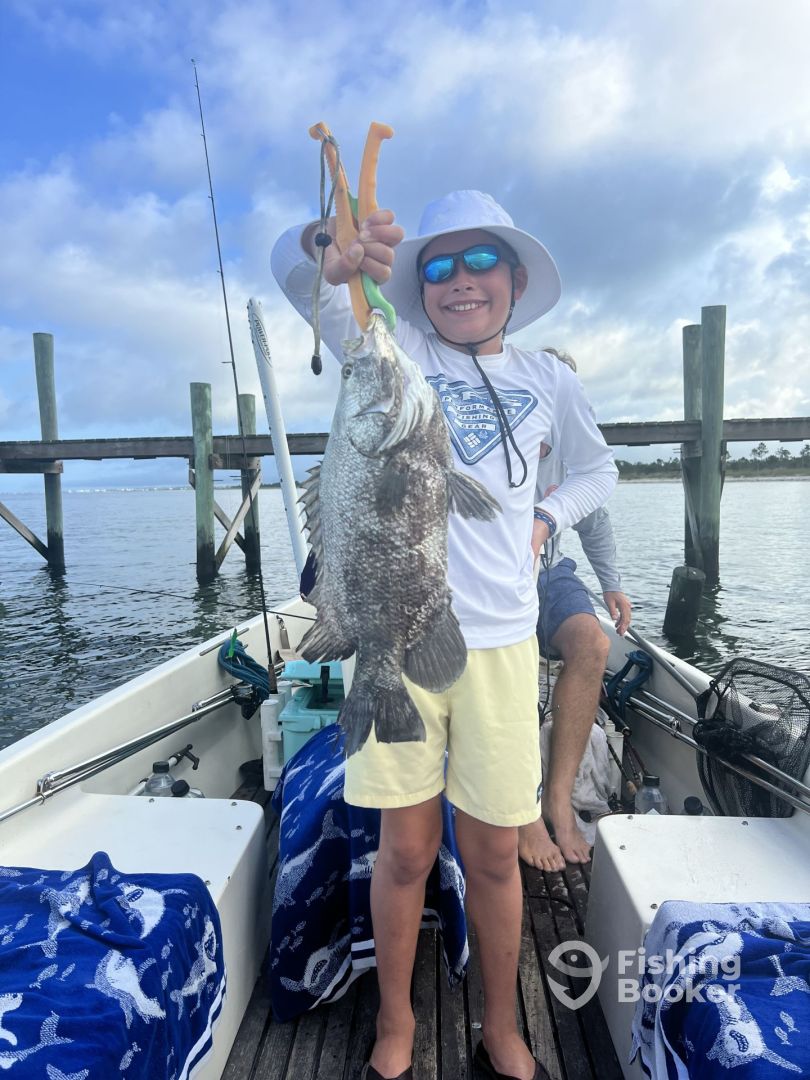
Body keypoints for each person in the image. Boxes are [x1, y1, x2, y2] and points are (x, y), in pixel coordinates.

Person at [271, 189, 617, 1080]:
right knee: (405, 850)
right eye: (439, 266)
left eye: (481, 261)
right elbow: (296, 274)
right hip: (400, 628)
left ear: (515, 278)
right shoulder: (397, 354)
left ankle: (502, 1024)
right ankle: (395, 1021)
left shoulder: (550, 380)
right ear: (418, 288)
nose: (461, 280)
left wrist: (546, 515)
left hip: (502, 646)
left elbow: (598, 469)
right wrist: (332, 244)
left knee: (496, 853)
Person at [518, 350, 632, 873]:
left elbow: (594, 519)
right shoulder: (489, 440)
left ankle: (558, 802)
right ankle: (521, 809)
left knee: (593, 645)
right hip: (493, 583)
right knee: (511, 666)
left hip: (550, 572)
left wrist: (612, 584)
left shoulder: (571, 454)